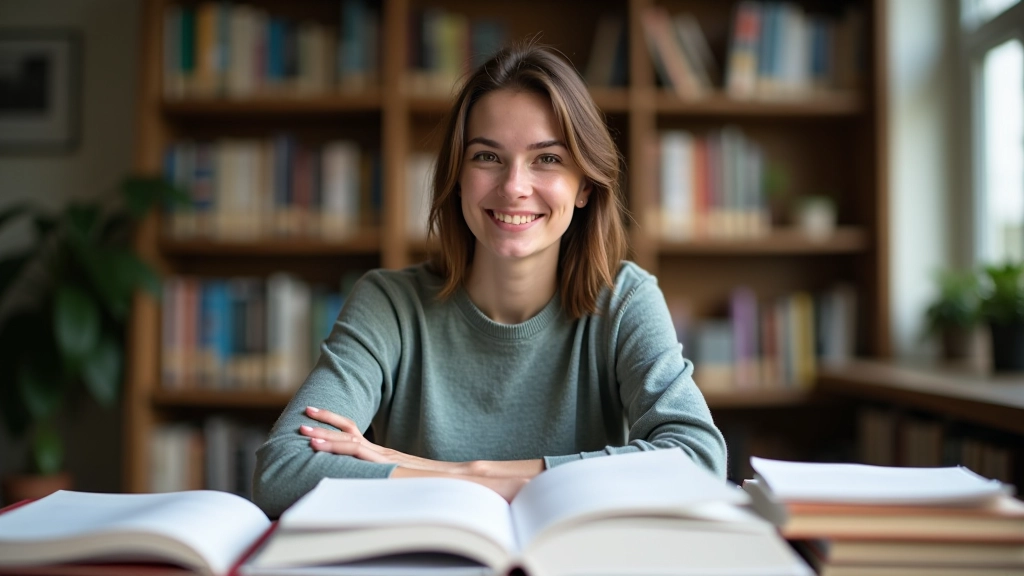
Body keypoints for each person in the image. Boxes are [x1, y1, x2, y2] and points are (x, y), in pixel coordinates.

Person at [253, 42, 727, 519]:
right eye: (486, 157)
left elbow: (699, 462)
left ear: (584, 185)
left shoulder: (625, 299)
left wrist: (464, 473)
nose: (514, 186)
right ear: (457, 176)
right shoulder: (389, 304)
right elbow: (283, 472)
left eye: (547, 159)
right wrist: (485, 479)